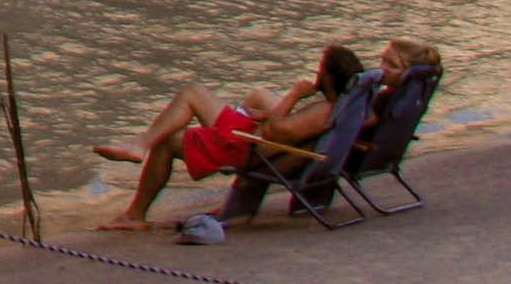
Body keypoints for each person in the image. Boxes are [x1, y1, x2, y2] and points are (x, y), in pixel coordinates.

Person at [98, 44, 362, 229]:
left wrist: (294, 95)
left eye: (320, 69)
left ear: (328, 77)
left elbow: (276, 132)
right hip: (258, 141)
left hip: (248, 147)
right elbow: (285, 130)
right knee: (210, 94)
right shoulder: (346, 107)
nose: (316, 74)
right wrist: (265, 115)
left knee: (173, 132)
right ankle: (140, 146)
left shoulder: (323, 111)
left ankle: (135, 211)